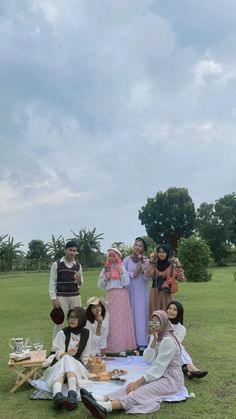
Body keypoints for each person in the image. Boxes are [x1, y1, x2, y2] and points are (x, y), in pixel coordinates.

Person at [80, 310, 184, 417]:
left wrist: (139, 382)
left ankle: (107, 407)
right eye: (152, 322)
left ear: (164, 322)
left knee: (142, 390)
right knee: (131, 386)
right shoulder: (158, 337)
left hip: (171, 379)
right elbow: (147, 358)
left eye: (158, 322)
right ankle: (104, 398)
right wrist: (154, 341)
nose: (155, 325)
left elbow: (158, 367)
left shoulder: (168, 341)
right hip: (160, 375)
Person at [43, 307, 91, 411]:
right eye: (70, 317)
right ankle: (72, 394)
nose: (72, 320)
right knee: (67, 359)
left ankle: (57, 394)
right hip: (59, 363)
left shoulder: (86, 334)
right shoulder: (63, 333)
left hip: (76, 366)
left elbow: (85, 357)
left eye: (75, 317)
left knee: (68, 359)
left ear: (81, 319)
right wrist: (66, 354)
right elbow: (57, 354)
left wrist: (90, 367)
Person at [98, 248, 136, 353]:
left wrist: (121, 273)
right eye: (109, 256)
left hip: (121, 296)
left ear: (117, 257)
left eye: (113, 256)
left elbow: (126, 283)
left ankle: (122, 347)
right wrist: (105, 278)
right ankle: (109, 347)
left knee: (121, 321)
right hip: (110, 297)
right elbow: (100, 285)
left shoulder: (121, 268)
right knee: (110, 321)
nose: (111, 258)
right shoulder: (105, 269)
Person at [49, 240, 83, 344]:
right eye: (70, 250)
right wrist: (54, 299)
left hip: (75, 297)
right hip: (61, 297)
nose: (72, 253)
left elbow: (81, 284)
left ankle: (75, 346)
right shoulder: (57, 264)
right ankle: (55, 350)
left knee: (77, 321)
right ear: (65, 250)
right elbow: (52, 283)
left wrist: (78, 279)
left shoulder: (78, 266)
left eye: (74, 251)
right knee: (59, 323)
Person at [166, 301, 208, 379]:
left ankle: (188, 368)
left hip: (172, 350)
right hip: (159, 348)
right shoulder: (159, 321)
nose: (171, 311)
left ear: (179, 313)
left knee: (178, 347)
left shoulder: (182, 329)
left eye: (175, 310)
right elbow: (151, 334)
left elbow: (175, 343)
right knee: (179, 347)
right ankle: (190, 368)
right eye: (169, 308)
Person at [123, 237, 149, 351]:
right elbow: (121, 273)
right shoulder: (127, 259)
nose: (137, 247)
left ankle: (142, 342)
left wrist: (142, 268)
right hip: (130, 289)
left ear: (143, 248)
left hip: (141, 290)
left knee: (141, 314)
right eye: (136, 245)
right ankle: (131, 342)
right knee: (130, 313)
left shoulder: (145, 260)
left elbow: (148, 277)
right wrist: (133, 274)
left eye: (140, 246)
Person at [148, 244, 185, 315]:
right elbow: (150, 275)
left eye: (163, 252)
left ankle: (168, 326)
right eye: (159, 252)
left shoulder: (172, 266)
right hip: (155, 293)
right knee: (154, 315)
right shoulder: (154, 264)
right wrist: (151, 261)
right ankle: (154, 326)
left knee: (168, 315)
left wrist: (179, 265)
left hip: (167, 294)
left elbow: (181, 279)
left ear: (167, 253)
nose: (161, 254)